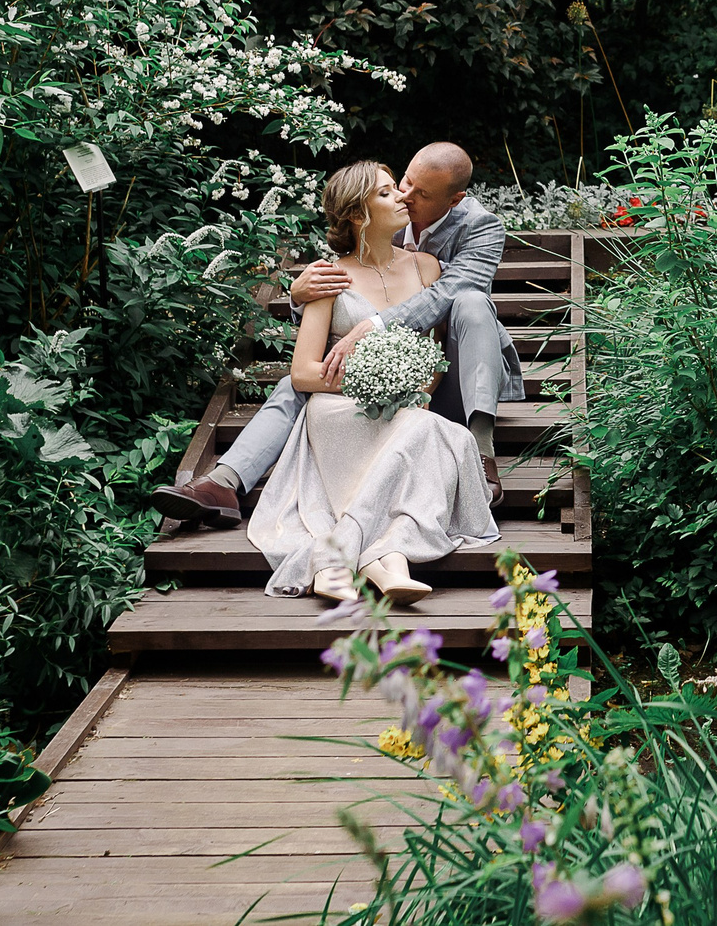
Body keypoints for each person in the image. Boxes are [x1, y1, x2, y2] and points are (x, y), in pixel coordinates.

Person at [150, 140, 525, 524]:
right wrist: (299, 295)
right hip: (370, 391)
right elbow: (344, 280)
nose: (405, 195)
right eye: (403, 183)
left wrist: (380, 336)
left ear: (454, 199)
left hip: (451, 376)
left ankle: (482, 451)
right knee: (295, 385)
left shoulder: (475, 230)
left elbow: (448, 300)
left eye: (421, 193)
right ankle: (222, 483)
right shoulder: (384, 226)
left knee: (472, 302)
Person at [239, 161, 498, 604]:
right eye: (386, 192)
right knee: (429, 433)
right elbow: (303, 373)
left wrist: (413, 391)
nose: (402, 196)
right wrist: (377, 385)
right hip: (342, 411)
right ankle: (383, 556)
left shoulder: (427, 268)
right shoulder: (329, 276)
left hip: (408, 409)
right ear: (358, 214)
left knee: (437, 431)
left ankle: (368, 557)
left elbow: (435, 358)